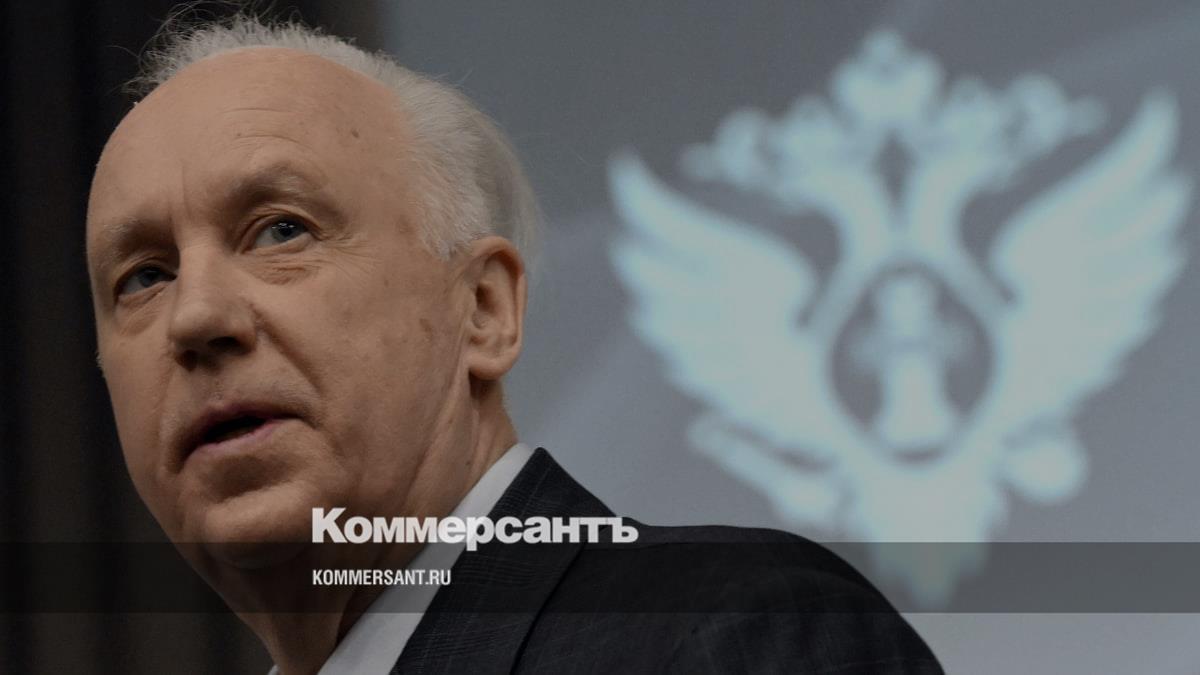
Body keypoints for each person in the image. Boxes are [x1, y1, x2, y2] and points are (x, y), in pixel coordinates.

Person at [85, 15, 942, 674]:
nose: (194, 316)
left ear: (484, 309)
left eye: (281, 229)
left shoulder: (726, 637)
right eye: (143, 276)